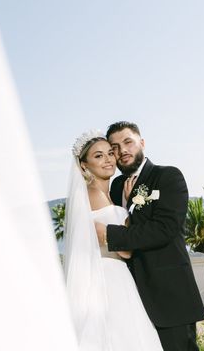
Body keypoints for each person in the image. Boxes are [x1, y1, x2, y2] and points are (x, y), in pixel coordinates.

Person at [94, 121, 204, 351]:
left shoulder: (167, 176)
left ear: (141, 143)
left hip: (169, 294)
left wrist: (109, 234)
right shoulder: (116, 187)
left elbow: (164, 228)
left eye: (128, 142)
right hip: (131, 298)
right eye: (115, 147)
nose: (122, 150)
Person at [64, 130, 163, 351]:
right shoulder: (94, 195)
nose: (108, 159)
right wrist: (129, 212)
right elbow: (126, 251)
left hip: (114, 275)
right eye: (98, 156)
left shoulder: (107, 196)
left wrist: (125, 205)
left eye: (110, 153)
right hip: (110, 280)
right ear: (83, 166)